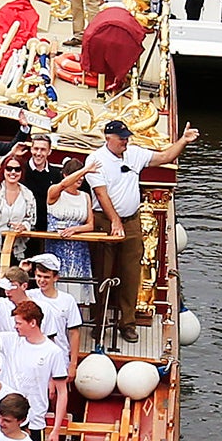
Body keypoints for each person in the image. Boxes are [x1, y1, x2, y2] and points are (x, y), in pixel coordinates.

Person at [78, 117, 201, 341]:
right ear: (109, 138)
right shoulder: (95, 159)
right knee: (103, 273)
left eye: (127, 138)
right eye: (121, 138)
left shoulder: (134, 153)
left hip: (132, 221)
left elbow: (164, 157)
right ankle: (100, 322)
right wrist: (114, 220)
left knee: (131, 272)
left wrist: (183, 141)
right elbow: (101, 194)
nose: (125, 142)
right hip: (105, 221)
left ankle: (127, 322)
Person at [0, 298, 68, 441]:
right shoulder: (10, 340)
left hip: (34, 420)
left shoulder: (53, 351)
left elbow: (62, 392)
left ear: (32, 323)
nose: (15, 327)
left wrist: (56, 430)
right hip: (6, 418)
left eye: (19, 323)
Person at [0, 154, 38, 278]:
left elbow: (30, 221)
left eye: (17, 169)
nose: (13, 172)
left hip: (15, 248)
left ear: (22, 172)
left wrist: (24, 226)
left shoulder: (28, 195)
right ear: (3, 170)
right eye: (9, 169)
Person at [25, 253, 83, 368]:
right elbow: (10, 289)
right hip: (33, 355)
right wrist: (22, 270)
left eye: (46, 277)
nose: (41, 280)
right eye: (39, 276)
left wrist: (73, 365)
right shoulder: (28, 295)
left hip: (59, 358)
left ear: (56, 277)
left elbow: (74, 333)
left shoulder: (68, 300)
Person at [46, 156, 96, 288]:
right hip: (57, 247)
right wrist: (85, 169)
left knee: (77, 286)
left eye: (82, 175)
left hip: (79, 248)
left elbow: (90, 225)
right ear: (65, 175)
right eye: (76, 175)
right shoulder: (54, 192)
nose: (80, 178)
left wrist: (75, 230)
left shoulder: (85, 196)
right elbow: (63, 185)